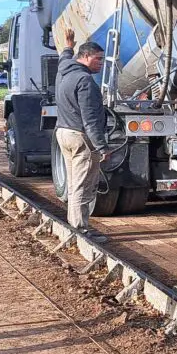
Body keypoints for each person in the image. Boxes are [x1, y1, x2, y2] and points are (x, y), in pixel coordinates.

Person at [54, 28, 109, 235]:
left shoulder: (64, 71)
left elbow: (64, 58)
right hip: (80, 137)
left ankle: (73, 225)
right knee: (83, 186)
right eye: (97, 59)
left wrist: (68, 46)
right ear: (85, 57)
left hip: (63, 133)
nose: (101, 63)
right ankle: (80, 230)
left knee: (73, 182)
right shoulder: (85, 81)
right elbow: (90, 119)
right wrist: (102, 147)